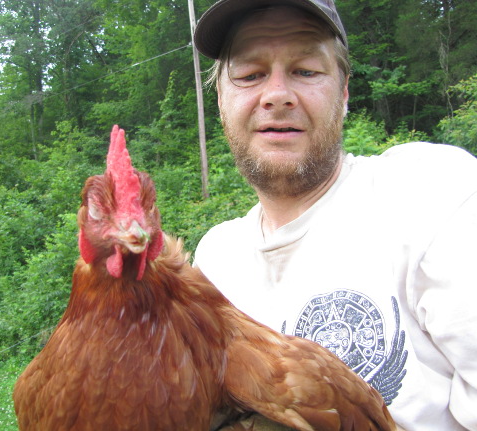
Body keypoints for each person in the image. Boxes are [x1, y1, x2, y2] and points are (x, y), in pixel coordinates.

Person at [192, 0, 477, 430]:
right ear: (221, 100)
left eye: (306, 70)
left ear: (343, 93)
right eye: (250, 75)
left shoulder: (432, 193)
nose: (276, 95)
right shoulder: (214, 262)